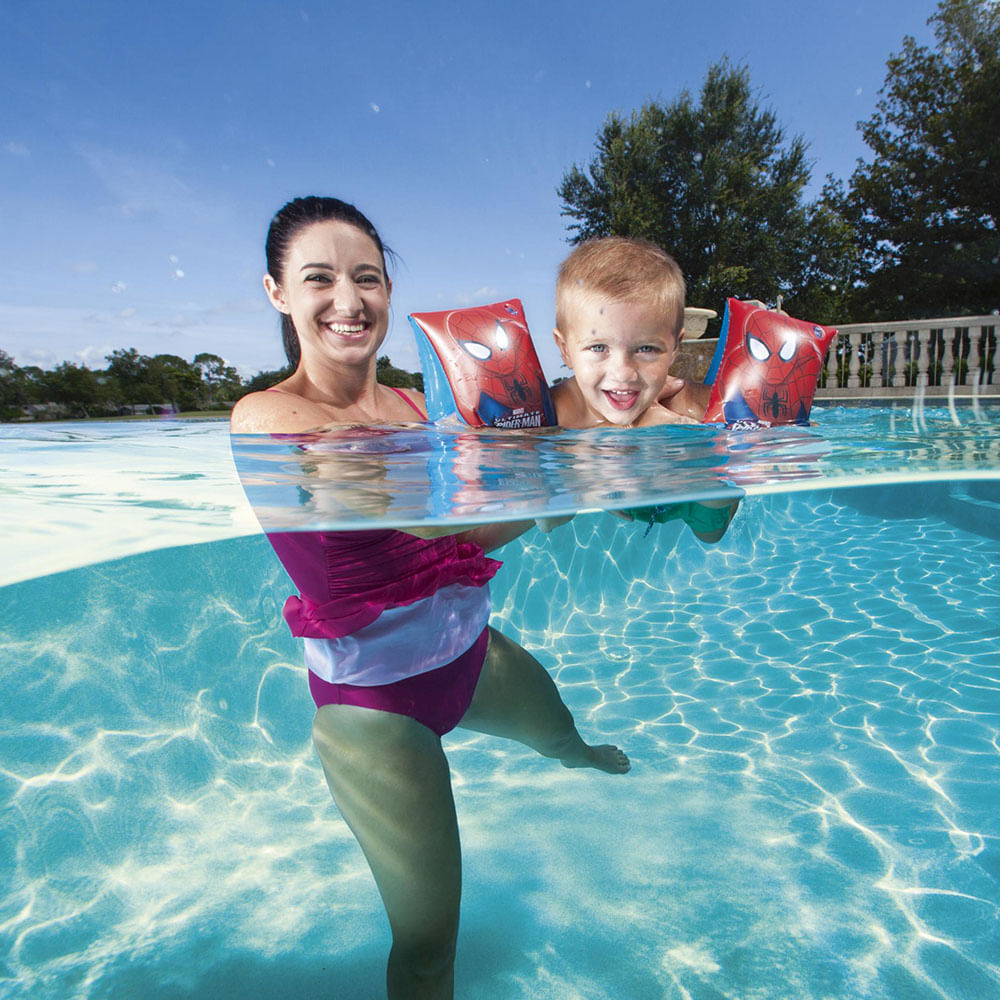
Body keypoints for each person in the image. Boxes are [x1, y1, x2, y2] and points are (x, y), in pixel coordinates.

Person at [230, 196, 629, 1000]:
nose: (349, 300)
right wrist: (568, 470)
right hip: (374, 709)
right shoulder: (268, 416)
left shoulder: (417, 407)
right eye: (319, 278)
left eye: (367, 278)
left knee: (566, 740)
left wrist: (585, 426)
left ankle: (575, 755)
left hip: (471, 655)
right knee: (426, 948)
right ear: (276, 292)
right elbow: (452, 525)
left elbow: (466, 534)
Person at [550, 236, 738, 543]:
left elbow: (764, 433)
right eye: (598, 347)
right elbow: (547, 520)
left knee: (711, 531)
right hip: (622, 497)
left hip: (686, 495)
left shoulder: (689, 406)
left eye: (647, 349)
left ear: (674, 348)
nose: (623, 373)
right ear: (565, 348)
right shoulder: (558, 410)